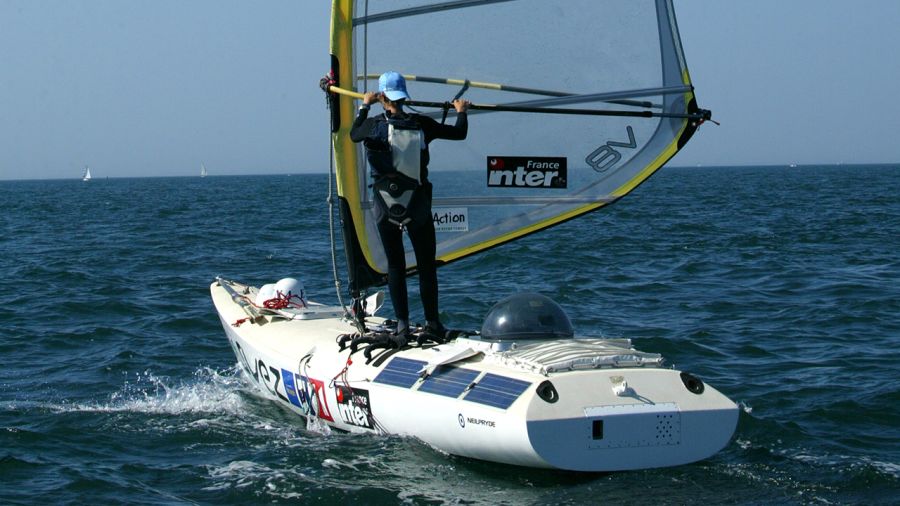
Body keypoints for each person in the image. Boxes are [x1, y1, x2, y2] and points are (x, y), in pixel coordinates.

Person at [350, 71, 470, 342]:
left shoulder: (373, 125)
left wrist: (364, 105)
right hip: (417, 205)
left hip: (386, 205)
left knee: (396, 266)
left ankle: (402, 326)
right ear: (404, 97)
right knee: (427, 265)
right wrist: (460, 111)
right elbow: (459, 133)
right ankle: (433, 324)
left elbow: (353, 134)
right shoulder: (422, 123)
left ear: (383, 97)